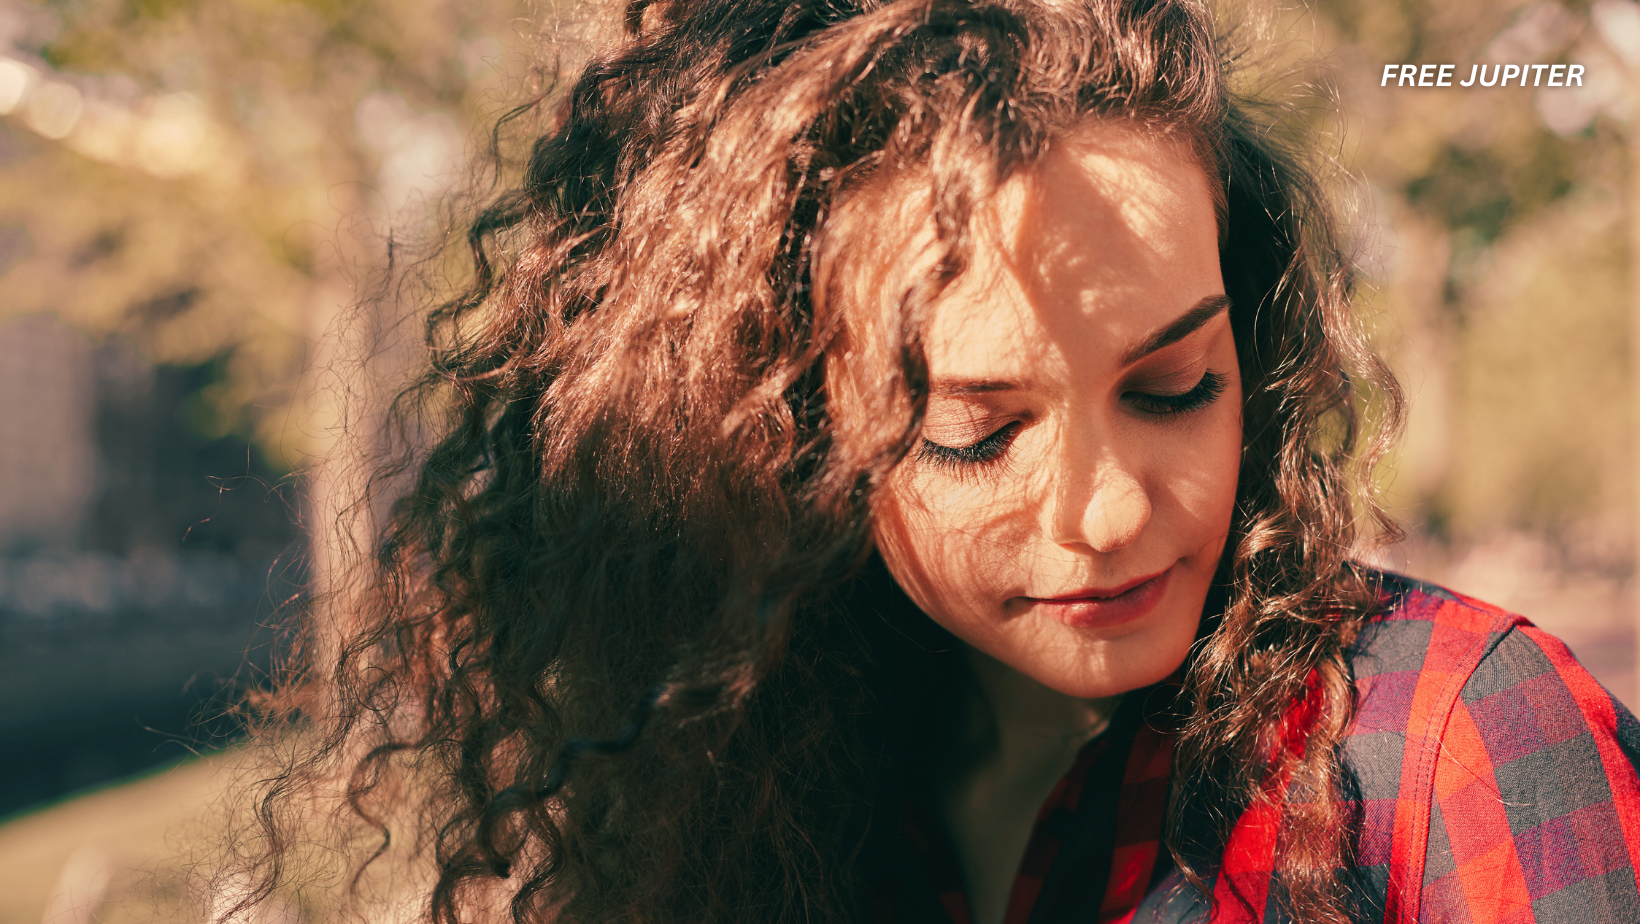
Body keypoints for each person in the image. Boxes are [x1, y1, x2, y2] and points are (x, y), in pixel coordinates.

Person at [224, 0, 1640, 921]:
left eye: (1174, 386)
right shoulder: (766, 786)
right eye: (975, 430)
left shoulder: (1447, 741)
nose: (1103, 512)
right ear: (785, 433)